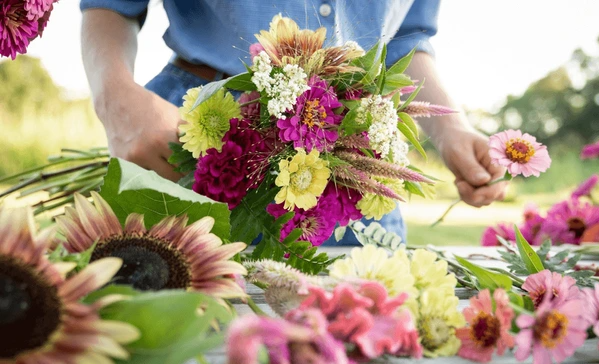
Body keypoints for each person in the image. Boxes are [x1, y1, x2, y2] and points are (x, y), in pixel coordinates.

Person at [80, 0, 507, 245]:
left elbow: (405, 43)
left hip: (354, 167)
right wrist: (115, 99)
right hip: (199, 132)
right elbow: (111, 5)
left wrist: (452, 128)